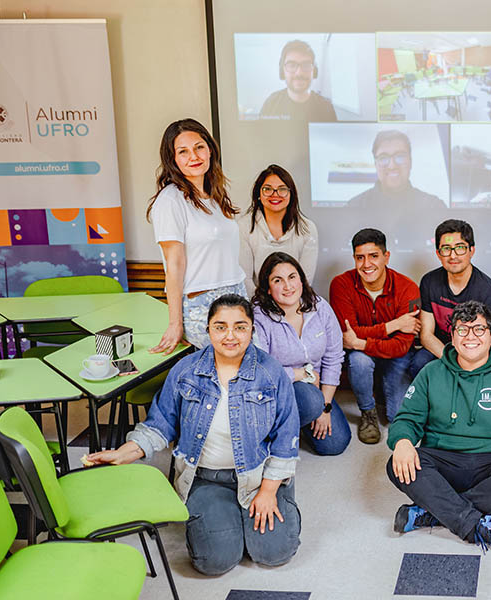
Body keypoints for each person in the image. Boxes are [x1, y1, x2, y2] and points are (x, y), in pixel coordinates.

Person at [85, 295, 301, 576]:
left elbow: (286, 438)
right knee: (214, 562)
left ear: (251, 330)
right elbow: (160, 425)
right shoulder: (186, 371)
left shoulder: (271, 373)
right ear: (208, 330)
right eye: (220, 327)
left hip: (258, 477)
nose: (230, 336)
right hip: (206, 478)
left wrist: (269, 492)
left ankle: (255, 513)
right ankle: (228, 520)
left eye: (240, 326)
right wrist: (124, 453)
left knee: (274, 553)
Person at [387, 301, 491, 555]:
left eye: (479, 330)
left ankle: (433, 511)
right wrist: (403, 442)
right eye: (462, 330)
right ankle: (477, 525)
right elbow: (407, 419)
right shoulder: (431, 372)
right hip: (442, 459)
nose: (470, 337)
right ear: (452, 336)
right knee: (397, 464)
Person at [146, 118, 247, 352]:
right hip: (202, 306)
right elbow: (174, 265)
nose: (194, 156)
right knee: (236, 376)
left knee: (256, 372)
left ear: (210, 149)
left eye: (199, 147)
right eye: (183, 151)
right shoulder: (170, 200)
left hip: (237, 299)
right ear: (173, 160)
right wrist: (175, 323)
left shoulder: (216, 195)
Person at [252, 252, 351, 456]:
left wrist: (325, 407)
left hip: (314, 392)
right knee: (308, 398)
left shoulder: (319, 307)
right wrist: (303, 375)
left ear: (301, 280)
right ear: (268, 289)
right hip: (274, 391)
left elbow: (333, 356)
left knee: (335, 444)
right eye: (277, 280)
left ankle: (302, 418)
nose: (288, 286)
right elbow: (261, 370)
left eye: (292, 277)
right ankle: (278, 434)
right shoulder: (259, 317)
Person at [329, 228, 421, 444]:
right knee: (358, 361)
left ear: (386, 257)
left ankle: (384, 387)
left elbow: (401, 346)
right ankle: (368, 412)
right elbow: (346, 334)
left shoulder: (409, 288)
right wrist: (393, 325)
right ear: (354, 258)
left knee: (395, 417)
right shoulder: (340, 284)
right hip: (362, 355)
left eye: (373, 256)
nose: (366, 264)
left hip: (396, 356)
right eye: (360, 258)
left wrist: (361, 342)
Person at [411, 219, 491, 377]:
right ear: (438, 253)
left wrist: (463, 362)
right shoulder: (429, 282)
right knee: (418, 363)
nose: (453, 255)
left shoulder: (488, 290)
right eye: (446, 249)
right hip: (440, 349)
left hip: (473, 349)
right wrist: (450, 360)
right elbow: (426, 335)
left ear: (471, 250)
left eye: (460, 248)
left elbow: (489, 340)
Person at [239, 164, 318, 294]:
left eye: (282, 189)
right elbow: (245, 279)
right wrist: (264, 308)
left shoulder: (307, 229)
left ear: (291, 194)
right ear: (258, 193)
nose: (275, 195)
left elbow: (305, 280)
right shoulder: (243, 227)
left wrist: (288, 304)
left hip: (294, 303)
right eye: (267, 189)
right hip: (257, 305)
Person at [347, 130, 446, 211]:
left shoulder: (434, 207)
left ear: (410, 161)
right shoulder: (354, 207)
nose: (392, 166)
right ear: (375, 164)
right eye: (383, 158)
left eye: (400, 156)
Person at [259, 39, 338, 122]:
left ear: (314, 71)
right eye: (292, 65)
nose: (299, 73)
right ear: (282, 71)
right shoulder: (271, 104)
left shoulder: (326, 108)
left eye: (306, 65)